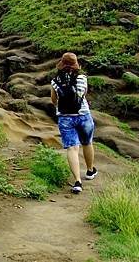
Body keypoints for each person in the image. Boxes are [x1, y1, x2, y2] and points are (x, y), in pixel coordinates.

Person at [50, 52, 97, 194]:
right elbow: (83, 95)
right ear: (76, 65)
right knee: (87, 143)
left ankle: (77, 181)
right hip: (83, 115)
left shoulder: (55, 81)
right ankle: (89, 171)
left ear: (61, 64)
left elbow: (54, 101)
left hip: (65, 117)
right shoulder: (83, 78)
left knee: (72, 148)